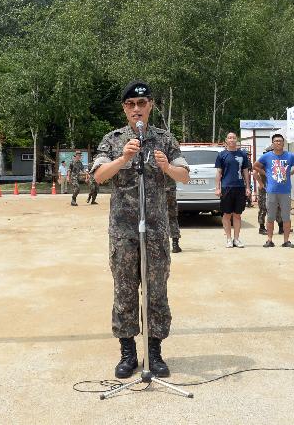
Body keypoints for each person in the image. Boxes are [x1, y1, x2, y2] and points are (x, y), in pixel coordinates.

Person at [91, 80, 190, 379]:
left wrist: (167, 168)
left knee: (157, 290)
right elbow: (97, 176)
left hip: (157, 230)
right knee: (124, 290)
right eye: (131, 105)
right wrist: (123, 158)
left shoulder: (165, 139)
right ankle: (128, 352)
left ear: (151, 106)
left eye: (142, 104)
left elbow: (184, 176)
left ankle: (155, 352)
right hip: (123, 231)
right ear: (124, 109)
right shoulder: (113, 140)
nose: (137, 109)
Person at [253, 133, 294, 248]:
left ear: (283, 143)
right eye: (276, 141)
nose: (278, 142)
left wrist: (290, 173)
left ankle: (286, 241)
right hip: (271, 191)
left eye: (280, 141)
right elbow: (255, 166)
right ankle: (269, 240)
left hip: (285, 191)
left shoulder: (290, 156)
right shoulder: (267, 156)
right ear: (272, 143)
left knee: (286, 217)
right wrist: (266, 173)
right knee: (270, 217)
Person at [214, 132, 252, 248]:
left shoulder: (243, 155)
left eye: (234, 138)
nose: (232, 139)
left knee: (237, 215)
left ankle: (236, 239)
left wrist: (247, 187)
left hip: (240, 188)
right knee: (226, 215)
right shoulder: (222, 155)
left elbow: (246, 171)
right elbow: (219, 172)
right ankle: (229, 239)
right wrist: (217, 188)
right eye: (229, 138)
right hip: (226, 188)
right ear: (226, 140)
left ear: (237, 140)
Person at [255, 143, 285, 236]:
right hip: (265, 188)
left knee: (278, 207)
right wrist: (261, 184)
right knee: (263, 207)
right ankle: (262, 228)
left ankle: (281, 227)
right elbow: (255, 173)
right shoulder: (264, 160)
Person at [166, 176, 182, 253]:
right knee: (172, 218)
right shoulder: (170, 163)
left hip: (156, 190)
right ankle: (175, 244)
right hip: (170, 189)